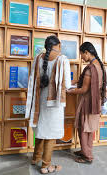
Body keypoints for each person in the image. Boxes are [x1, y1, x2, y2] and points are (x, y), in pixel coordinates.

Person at [25, 35, 71, 173]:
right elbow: (67, 85)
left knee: (40, 130)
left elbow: (33, 80)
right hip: (54, 104)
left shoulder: (38, 58)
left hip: (40, 101)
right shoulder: (63, 59)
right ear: (58, 45)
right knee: (50, 135)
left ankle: (35, 158)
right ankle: (46, 166)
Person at [67, 42, 107, 164]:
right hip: (95, 101)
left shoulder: (90, 68)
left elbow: (84, 89)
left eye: (82, 55)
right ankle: (86, 150)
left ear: (87, 52)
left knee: (83, 127)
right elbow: (81, 81)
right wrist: (70, 82)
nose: (82, 58)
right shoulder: (99, 66)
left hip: (88, 102)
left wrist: (70, 91)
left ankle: (87, 156)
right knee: (89, 128)